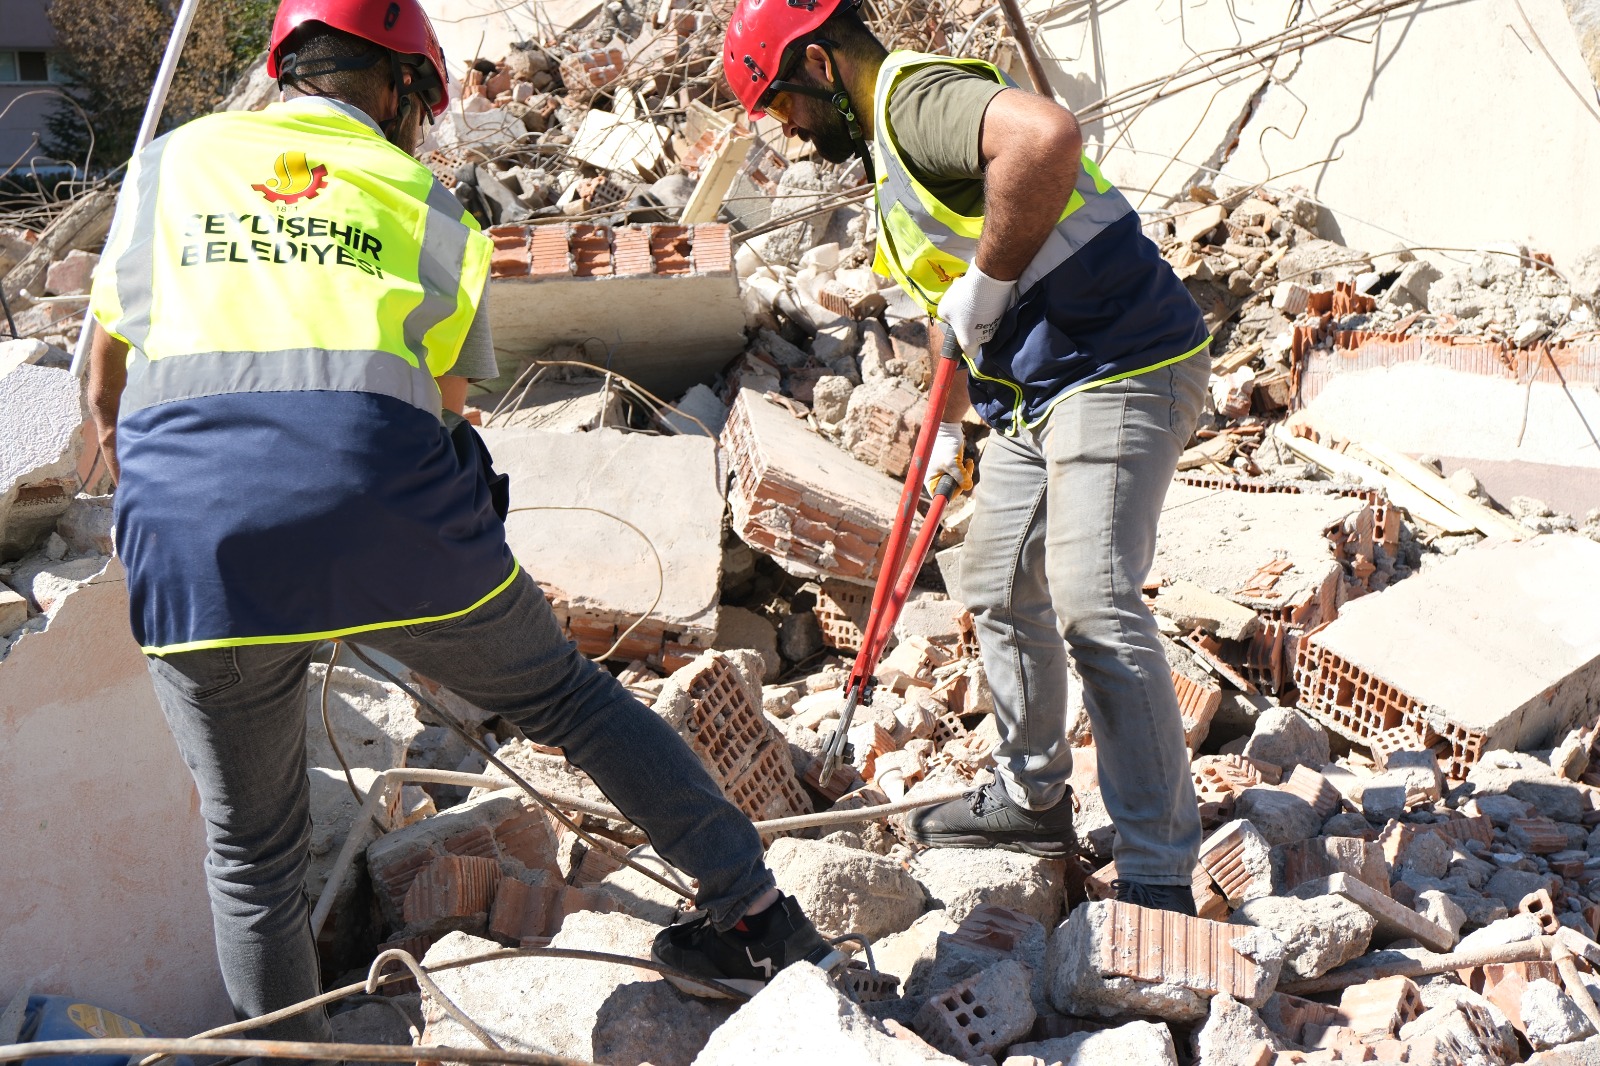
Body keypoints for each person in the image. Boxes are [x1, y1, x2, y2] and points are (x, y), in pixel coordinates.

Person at [85, 0, 836, 1037]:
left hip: (195, 543)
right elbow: (442, 408)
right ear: (402, 89)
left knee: (251, 852)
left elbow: (104, 377)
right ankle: (755, 917)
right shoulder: (427, 206)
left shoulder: (171, 163)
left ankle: (284, 1058)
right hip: (389, 520)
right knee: (567, 701)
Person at [723, 0, 1212, 913]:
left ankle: (1157, 868)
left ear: (821, 67)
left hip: (1122, 365)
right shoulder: (891, 153)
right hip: (1038, 392)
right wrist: (949, 419)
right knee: (992, 579)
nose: (784, 129)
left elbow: (1046, 137)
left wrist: (984, 289)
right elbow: (962, 310)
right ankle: (1032, 797)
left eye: (783, 102)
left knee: (1092, 597)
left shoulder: (915, 102)